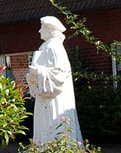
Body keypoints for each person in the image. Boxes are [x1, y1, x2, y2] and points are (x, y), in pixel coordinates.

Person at [25, 16, 83, 146]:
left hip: (54, 97)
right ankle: (44, 149)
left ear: (50, 30)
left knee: (53, 123)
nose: (39, 31)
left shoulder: (53, 47)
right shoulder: (45, 46)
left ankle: (54, 149)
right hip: (45, 96)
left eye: (42, 28)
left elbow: (59, 73)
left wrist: (38, 71)